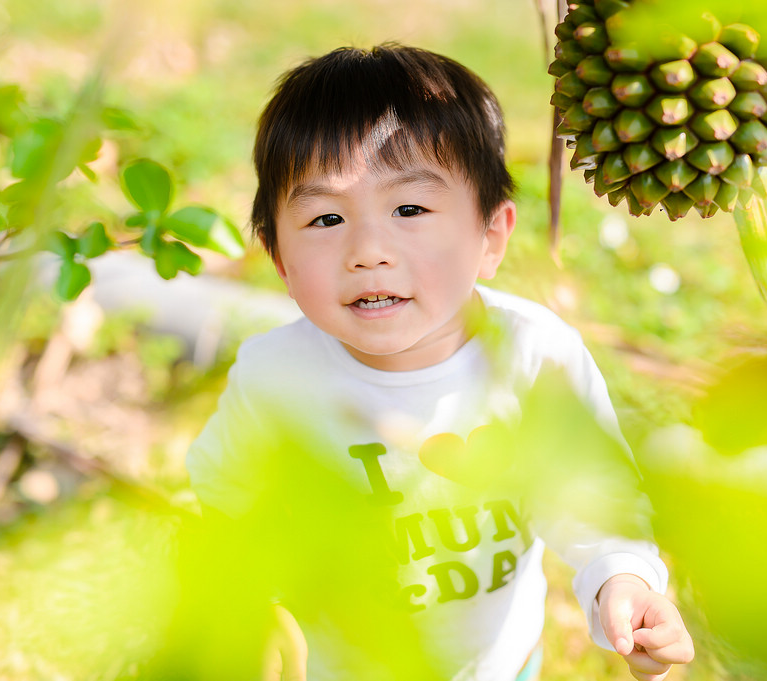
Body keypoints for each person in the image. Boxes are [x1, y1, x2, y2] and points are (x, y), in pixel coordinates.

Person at [186, 43, 694, 681]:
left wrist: (623, 581)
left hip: (499, 668)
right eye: (325, 217)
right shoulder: (274, 376)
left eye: (409, 209)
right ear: (278, 258)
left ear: (491, 236)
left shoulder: (536, 356)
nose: (368, 250)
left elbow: (595, 498)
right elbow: (228, 493)